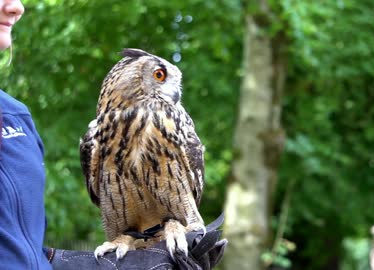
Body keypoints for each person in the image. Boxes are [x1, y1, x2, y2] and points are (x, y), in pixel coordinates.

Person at [0, 1, 226, 269]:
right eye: (159, 75)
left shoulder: (16, 117)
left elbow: (19, 248)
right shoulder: (97, 137)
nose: (17, 6)